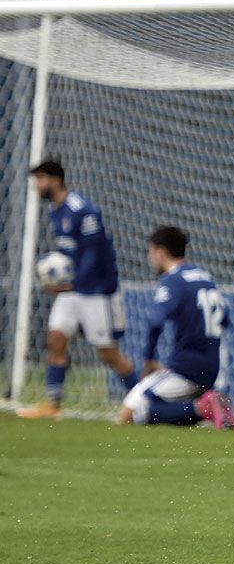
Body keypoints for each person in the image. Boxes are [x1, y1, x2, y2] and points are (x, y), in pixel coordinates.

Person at [18, 161, 137, 420]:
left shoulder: (82, 210)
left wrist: (71, 284)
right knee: (56, 339)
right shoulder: (55, 211)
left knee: (108, 353)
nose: (37, 186)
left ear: (55, 180)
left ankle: (141, 403)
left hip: (96, 291)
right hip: (73, 291)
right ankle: (53, 403)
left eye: (40, 180)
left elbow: (95, 253)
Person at [116, 226, 234, 430]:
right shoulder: (205, 278)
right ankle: (207, 405)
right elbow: (225, 320)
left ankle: (203, 408)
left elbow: (156, 321)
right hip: (210, 370)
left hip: (184, 369)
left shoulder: (172, 280)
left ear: (161, 252)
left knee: (128, 414)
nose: (151, 259)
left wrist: (148, 360)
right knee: (167, 406)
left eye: (151, 252)